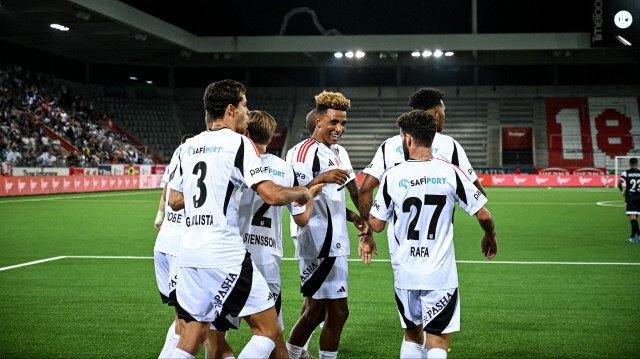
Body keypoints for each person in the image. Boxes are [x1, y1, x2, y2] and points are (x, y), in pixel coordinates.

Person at [167, 79, 312, 359]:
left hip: (188, 254)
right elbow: (270, 194)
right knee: (269, 330)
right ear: (231, 109)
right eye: (245, 105)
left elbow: (174, 201)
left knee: (192, 336)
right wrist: (302, 192)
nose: (248, 112)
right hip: (224, 253)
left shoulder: (188, 146)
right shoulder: (239, 143)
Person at [368, 110, 497, 359]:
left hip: (405, 270)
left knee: (412, 334)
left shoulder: (392, 175)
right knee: (437, 339)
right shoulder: (452, 173)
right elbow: (484, 216)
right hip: (440, 273)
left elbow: (376, 224)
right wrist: (490, 235)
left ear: (407, 139)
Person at [218, 110, 322, 359]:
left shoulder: (231, 162)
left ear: (244, 132)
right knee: (273, 335)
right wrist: (309, 194)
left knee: (216, 334)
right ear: (273, 137)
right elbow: (302, 219)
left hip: (231, 256)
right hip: (267, 260)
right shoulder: (284, 169)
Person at [357, 87, 486, 264]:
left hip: (400, 246)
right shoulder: (451, 146)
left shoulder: (389, 145)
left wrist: (367, 232)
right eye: (443, 112)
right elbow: (478, 194)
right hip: (439, 248)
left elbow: (365, 191)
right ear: (436, 115)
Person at [286, 91, 369, 359]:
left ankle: (295, 353)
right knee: (329, 311)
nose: (339, 128)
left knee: (316, 310)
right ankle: (291, 354)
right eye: (334, 122)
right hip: (317, 238)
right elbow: (296, 196)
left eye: (343, 123)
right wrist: (320, 178)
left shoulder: (339, 151)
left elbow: (348, 191)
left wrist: (357, 217)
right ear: (318, 121)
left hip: (336, 238)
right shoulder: (302, 153)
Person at [153, 134, 194, 359]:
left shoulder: (177, 157)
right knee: (187, 322)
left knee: (181, 318)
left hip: (164, 243)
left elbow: (166, 191)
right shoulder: (200, 158)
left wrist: (159, 216)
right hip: (181, 245)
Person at [618, 157, 640, 243]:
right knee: (636, 218)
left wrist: (622, 191)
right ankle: (632, 237)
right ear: (637, 164)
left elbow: (619, 183)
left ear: (630, 164)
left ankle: (639, 234)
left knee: (632, 218)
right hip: (639, 196)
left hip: (631, 197)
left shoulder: (626, 173)